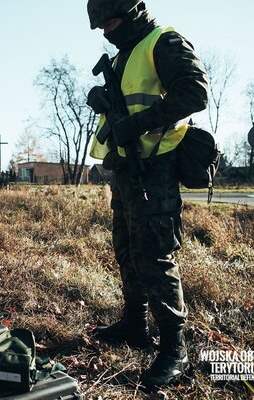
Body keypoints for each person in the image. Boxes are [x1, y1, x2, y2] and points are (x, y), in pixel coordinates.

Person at [86, 0, 209, 388]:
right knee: (125, 246)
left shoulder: (163, 41)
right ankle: (134, 324)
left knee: (154, 253)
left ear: (136, 10)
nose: (107, 31)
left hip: (155, 165)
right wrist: (101, 102)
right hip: (125, 168)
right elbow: (125, 104)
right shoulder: (123, 56)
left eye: (113, 21)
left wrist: (138, 123)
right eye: (101, 26)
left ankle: (175, 349)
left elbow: (194, 94)